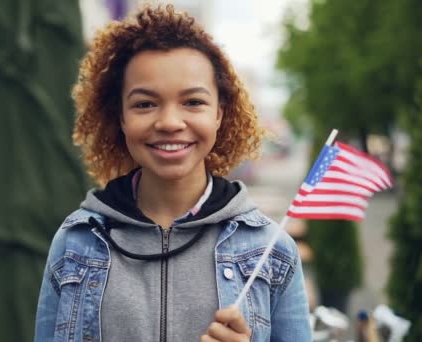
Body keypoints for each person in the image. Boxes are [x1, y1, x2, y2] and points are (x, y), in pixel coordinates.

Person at [35, 4, 311, 342]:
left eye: (193, 102)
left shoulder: (272, 250)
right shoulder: (76, 243)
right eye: (145, 104)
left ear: (220, 115)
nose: (168, 122)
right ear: (120, 117)